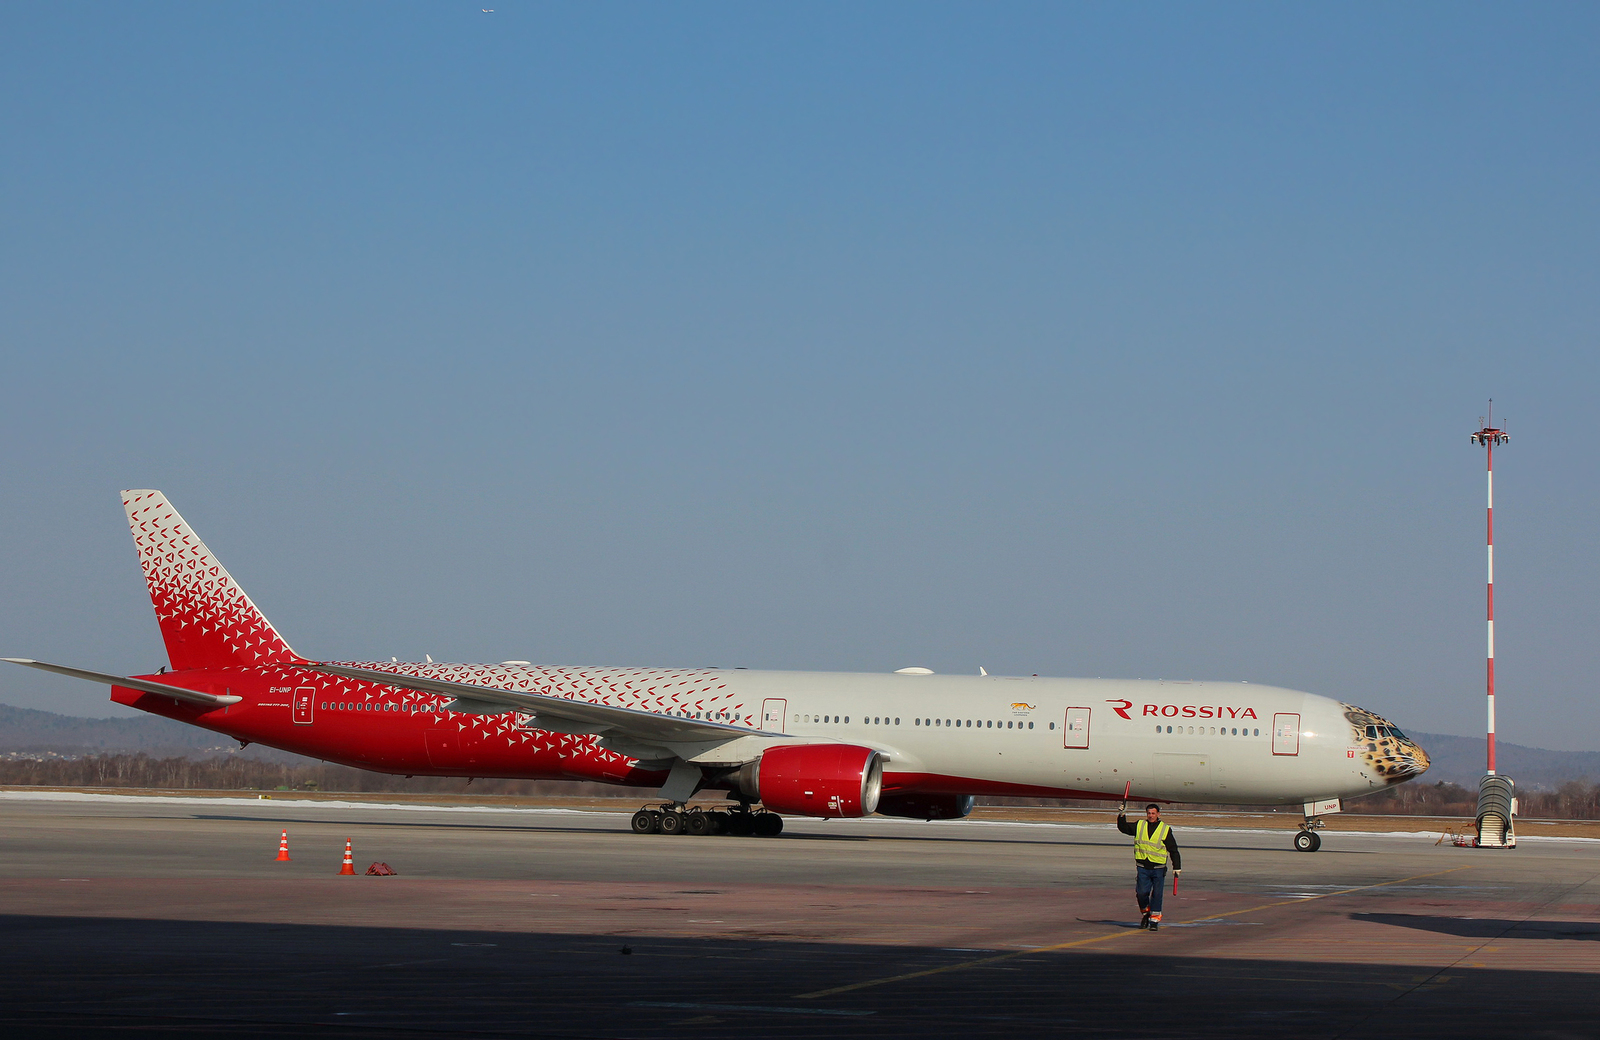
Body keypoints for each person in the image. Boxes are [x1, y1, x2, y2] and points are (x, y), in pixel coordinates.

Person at [1117, 802, 1181, 930]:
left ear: (1158, 814)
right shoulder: (1140, 825)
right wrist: (1121, 814)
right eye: (1149, 813)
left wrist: (1177, 867)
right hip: (1143, 867)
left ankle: (1154, 922)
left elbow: (1173, 849)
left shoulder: (1165, 829)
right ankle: (1146, 913)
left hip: (1158, 868)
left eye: (1153, 813)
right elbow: (1123, 828)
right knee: (1141, 893)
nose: (1151, 816)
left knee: (1157, 894)